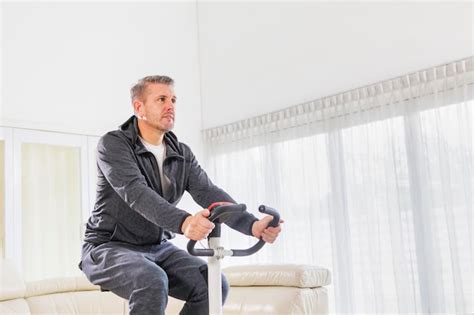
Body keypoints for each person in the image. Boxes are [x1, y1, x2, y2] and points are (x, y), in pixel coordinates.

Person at [79, 75, 282, 315]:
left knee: (213, 285)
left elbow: (208, 192)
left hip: (157, 247)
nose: (170, 106)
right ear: (138, 107)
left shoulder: (181, 153)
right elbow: (136, 193)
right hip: (108, 247)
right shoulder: (113, 144)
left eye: (173, 100)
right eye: (161, 99)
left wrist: (252, 225)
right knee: (150, 280)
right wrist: (184, 222)